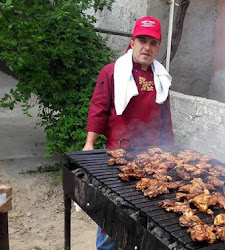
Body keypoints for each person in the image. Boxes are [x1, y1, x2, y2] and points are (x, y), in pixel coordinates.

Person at [83, 15, 174, 250]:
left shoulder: (161, 79)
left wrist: (171, 152)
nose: (147, 47)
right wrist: (89, 144)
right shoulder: (112, 72)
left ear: (158, 47)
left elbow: (166, 119)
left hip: (154, 156)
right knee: (112, 213)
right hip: (119, 154)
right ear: (132, 42)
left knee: (149, 211)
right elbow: (98, 109)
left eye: (153, 43)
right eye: (142, 40)